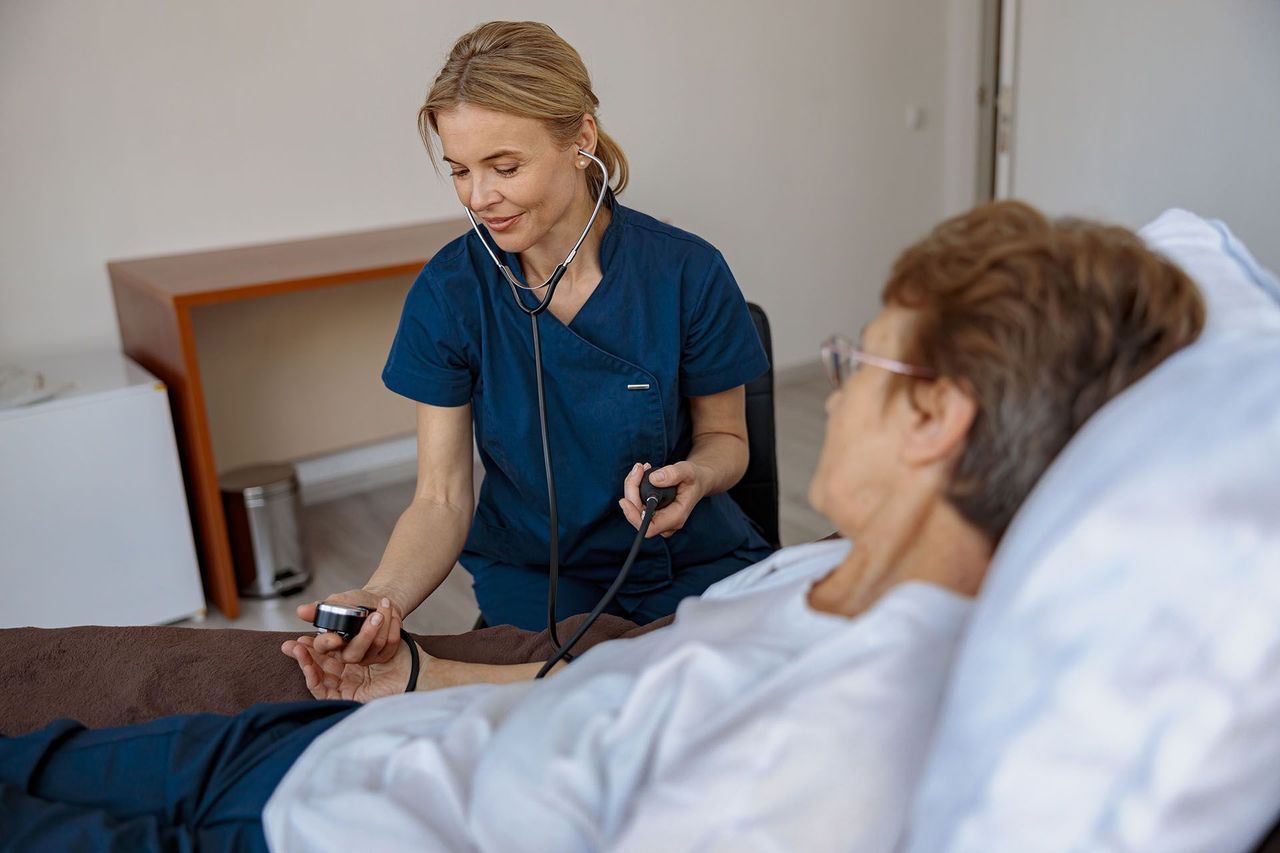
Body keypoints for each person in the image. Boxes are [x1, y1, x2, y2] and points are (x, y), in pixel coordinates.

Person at [0, 201, 1205, 851]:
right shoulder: (810, 580)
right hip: (347, 751)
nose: (832, 388)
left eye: (857, 360)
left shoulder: (833, 740)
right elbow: (606, 697)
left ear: (936, 414)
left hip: (312, 822)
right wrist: (415, 672)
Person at [304, 20, 775, 663]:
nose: (479, 198)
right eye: (460, 171)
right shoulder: (449, 294)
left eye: (504, 167)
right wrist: (381, 596)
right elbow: (440, 497)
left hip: (687, 562)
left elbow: (728, 440)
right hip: (540, 579)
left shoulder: (687, 272)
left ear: (581, 139)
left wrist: (697, 473)